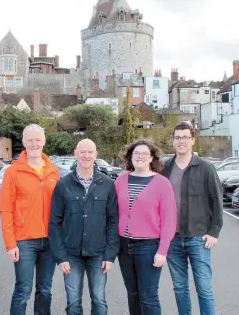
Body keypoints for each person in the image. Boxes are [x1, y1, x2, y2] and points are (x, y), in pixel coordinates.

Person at [49, 139, 119, 315]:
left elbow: (113, 220)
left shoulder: (107, 184)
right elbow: (54, 222)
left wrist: (110, 255)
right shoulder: (63, 184)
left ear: (96, 154)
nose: (86, 156)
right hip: (71, 254)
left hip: (98, 253)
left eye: (90, 152)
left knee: (99, 301)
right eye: (82, 152)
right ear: (75, 153)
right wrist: (60, 256)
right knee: (73, 303)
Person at [162, 121, 223, 315]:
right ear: (173, 141)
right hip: (172, 239)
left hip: (198, 237)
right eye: (178, 137)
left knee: (204, 288)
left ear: (193, 140)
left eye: (185, 137)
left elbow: (217, 201)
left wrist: (214, 232)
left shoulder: (205, 168)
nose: (181, 141)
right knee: (180, 288)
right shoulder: (165, 169)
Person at [0, 124, 60, 315]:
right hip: (24, 241)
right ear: (24, 142)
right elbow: (6, 209)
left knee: (45, 290)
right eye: (30, 140)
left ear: (44, 142)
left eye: (38, 140)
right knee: (23, 290)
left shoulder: (54, 171)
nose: (34, 143)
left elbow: (61, 209)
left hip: (49, 241)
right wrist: (10, 244)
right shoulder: (13, 172)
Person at [115, 139, 177, 315]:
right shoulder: (121, 180)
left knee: (148, 296)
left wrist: (163, 250)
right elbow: (113, 212)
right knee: (133, 293)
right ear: (130, 157)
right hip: (124, 246)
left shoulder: (162, 183)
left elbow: (169, 219)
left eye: (144, 153)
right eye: (136, 153)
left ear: (152, 158)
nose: (140, 156)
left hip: (148, 247)